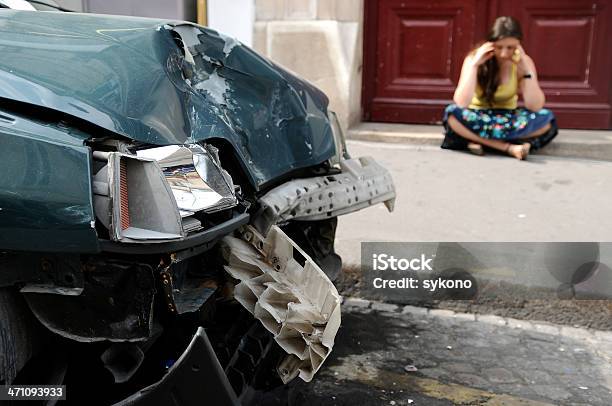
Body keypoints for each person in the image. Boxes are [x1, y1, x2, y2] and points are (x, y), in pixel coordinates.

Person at [441, 16, 557, 160]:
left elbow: (535, 106)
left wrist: (527, 72)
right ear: (490, 43)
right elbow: (462, 103)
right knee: (452, 114)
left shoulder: (522, 62)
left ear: (518, 46)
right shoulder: (474, 60)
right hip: (478, 115)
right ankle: (508, 147)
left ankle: (477, 141)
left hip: (507, 117)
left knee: (547, 119)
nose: (504, 53)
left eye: (510, 48)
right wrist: (475, 66)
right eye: (499, 47)